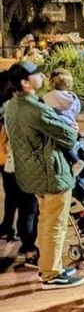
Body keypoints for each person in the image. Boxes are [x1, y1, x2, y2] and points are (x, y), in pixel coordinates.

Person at [4, 61, 83, 288]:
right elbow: (68, 137)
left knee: (46, 220)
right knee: (55, 224)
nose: (42, 75)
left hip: (31, 172)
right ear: (26, 83)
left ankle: (49, 265)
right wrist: (72, 130)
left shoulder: (11, 106)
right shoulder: (36, 109)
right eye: (36, 74)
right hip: (51, 172)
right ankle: (51, 272)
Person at [0, 70, 39, 267]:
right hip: (24, 165)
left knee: (20, 204)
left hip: (9, 164)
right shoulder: (24, 108)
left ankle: (23, 240)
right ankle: (30, 249)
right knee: (30, 209)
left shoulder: (7, 107)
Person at [42, 69, 84, 174]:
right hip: (71, 125)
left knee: (62, 147)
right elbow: (77, 110)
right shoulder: (73, 97)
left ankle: (76, 161)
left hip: (57, 126)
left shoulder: (48, 97)